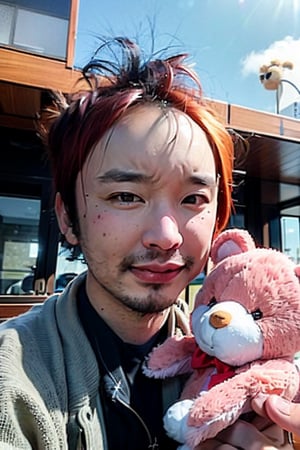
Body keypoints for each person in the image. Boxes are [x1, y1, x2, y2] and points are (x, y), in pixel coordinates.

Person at [0, 37, 295, 450]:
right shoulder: (13, 381)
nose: (167, 236)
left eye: (193, 199)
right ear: (68, 218)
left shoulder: (249, 357)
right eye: (125, 196)